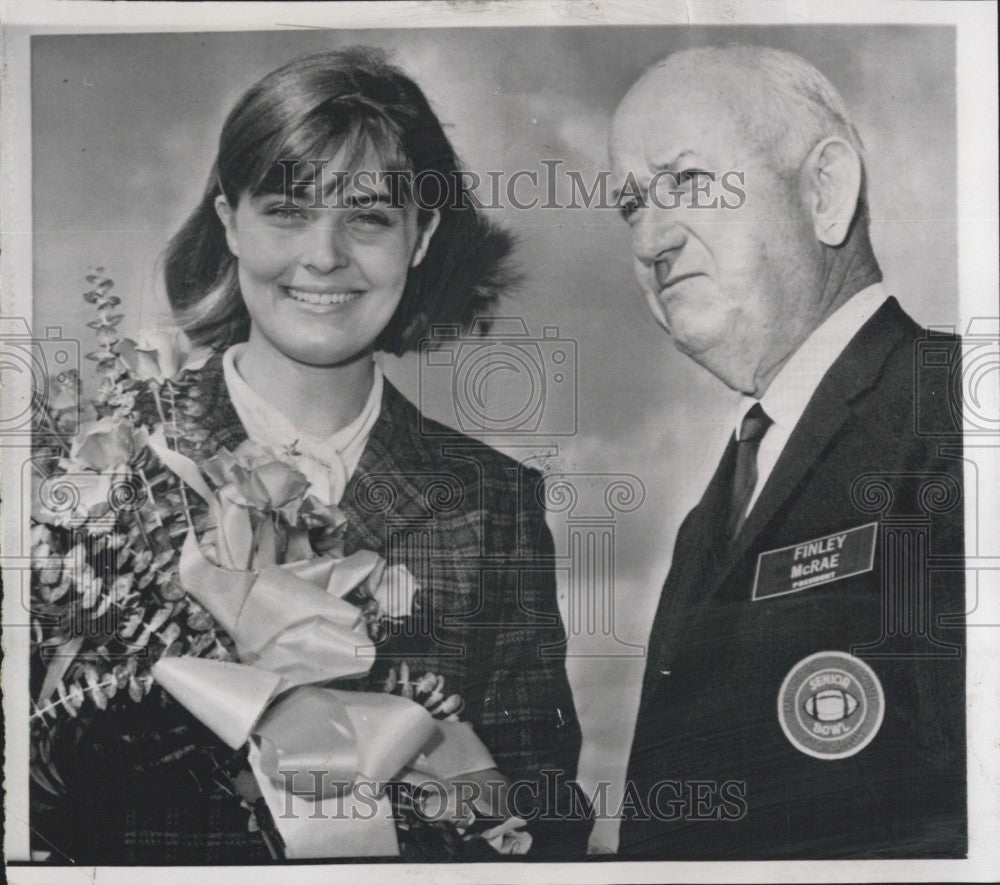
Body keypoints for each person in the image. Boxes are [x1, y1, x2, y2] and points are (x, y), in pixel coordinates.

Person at [32, 47, 585, 862]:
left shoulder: (489, 500)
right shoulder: (108, 463)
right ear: (228, 220)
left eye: (368, 217)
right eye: (287, 210)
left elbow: (548, 817)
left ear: (421, 235)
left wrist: (462, 785)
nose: (324, 256)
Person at [611, 45, 965, 859]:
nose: (652, 241)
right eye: (631, 205)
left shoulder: (958, 412)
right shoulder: (712, 512)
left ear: (825, 192)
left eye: (689, 182)